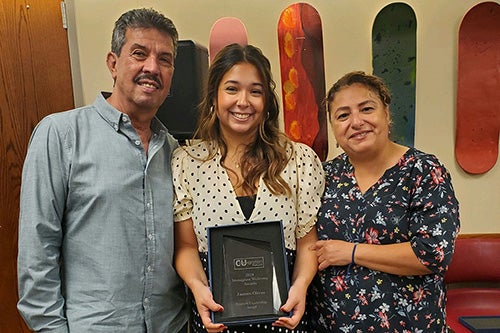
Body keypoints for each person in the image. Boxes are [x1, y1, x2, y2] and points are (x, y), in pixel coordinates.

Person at [17, 8, 189, 333]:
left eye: (164, 59)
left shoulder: (175, 153)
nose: (152, 67)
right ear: (113, 63)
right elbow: (37, 251)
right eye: (139, 54)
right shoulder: (61, 135)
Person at [172, 43, 325, 333]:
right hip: (216, 318)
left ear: (267, 102)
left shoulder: (298, 159)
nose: (243, 101)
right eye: (232, 89)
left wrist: (301, 286)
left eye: (255, 91)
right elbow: (186, 247)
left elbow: (307, 244)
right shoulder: (186, 163)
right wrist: (197, 288)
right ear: (214, 97)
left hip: (284, 319)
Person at [307, 71, 460, 332]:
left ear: (386, 115)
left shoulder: (422, 170)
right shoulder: (323, 175)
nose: (356, 122)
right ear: (333, 128)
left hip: (409, 325)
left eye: (366, 109)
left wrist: (351, 252)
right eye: (343, 115)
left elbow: (433, 254)